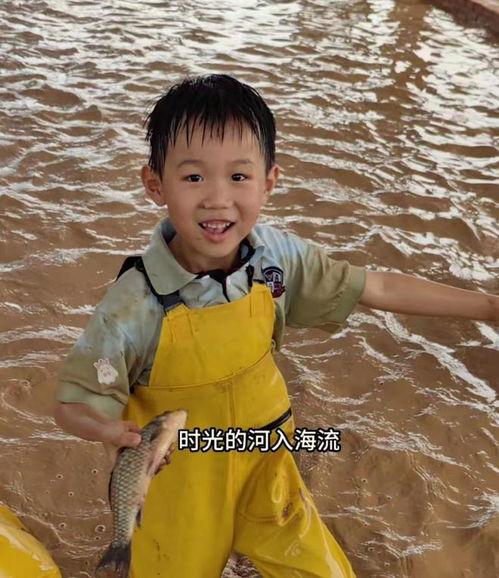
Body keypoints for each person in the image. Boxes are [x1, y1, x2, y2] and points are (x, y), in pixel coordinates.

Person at [54, 74, 498, 578]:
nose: (218, 199)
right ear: (155, 184)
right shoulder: (134, 302)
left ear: (269, 180)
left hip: (267, 462)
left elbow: (378, 287)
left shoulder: (276, 259)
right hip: (180, 491)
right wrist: (108, 430)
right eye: (194, 177)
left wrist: (488, 306)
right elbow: (74, 403)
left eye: (238, 177)